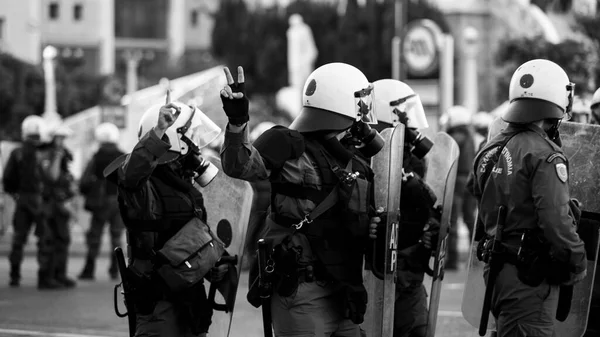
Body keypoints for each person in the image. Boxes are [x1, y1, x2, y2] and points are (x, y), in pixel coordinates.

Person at [220, 63, 383, 337]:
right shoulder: (288, 144)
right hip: (302, 290)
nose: (364, 112)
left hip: (345, 289)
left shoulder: (354, 161)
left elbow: (353, 223)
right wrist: (238, 123)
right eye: (360, 101)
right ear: (340, 103)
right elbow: (240, 166)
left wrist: (373, 226)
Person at [468, 59, 587, 337]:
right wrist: (577, 258)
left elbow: (483, 197)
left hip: (497, 272)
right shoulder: (544, 154)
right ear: (558, 99)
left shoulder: (489, 149)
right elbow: (554, 220)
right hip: (528, 280)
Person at [104, 94, 229, 337]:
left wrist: (213, 265)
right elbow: (130, 177)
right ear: (174, 141)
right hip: (158, 301)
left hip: (191, 298)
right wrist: (158, 132)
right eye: (191, 140)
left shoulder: (185, 188)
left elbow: (194, 238)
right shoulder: (142, 186)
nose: (196, 148)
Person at [371, 79, 439, 337]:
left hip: (411, 267)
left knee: (416, 331)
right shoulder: (369, 154)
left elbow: (426, 203)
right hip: (380, 268)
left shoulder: (410, 157)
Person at [2, 115, 59, 289]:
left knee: (19, 239)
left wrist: (16, 195)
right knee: (45, 238)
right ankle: (43, 277)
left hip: (22, 199)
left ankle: (14, 276)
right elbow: (51, 179)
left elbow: (8, 179)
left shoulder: (17, 152)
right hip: (40, 200)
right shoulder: (46, 152)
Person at [79, 122, 125, 281]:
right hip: (120, 202)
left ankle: (89, 269)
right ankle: (115, 270)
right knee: (117, 237)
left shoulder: (96, 156)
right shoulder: (123, 156)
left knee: (95, 236)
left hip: (101, 202)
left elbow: (84, 181)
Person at [40, 124, 78, 288]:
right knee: (51, 241)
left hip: (60, 203)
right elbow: (53, 177)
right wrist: (56, 155)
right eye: (59, 138)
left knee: (63, 239)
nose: (62, 141)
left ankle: (59, 275)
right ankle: (47, 277)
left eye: (63, 138)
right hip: (51, 204)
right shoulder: (48, 154)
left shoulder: (61, 154)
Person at [444, 105, 477, 266]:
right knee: (471, 219)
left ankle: (452, 259)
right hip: (469, 179)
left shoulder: (455, 137)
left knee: (453, 220)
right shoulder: (470, 136)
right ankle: (476, 257)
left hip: (456, 180)